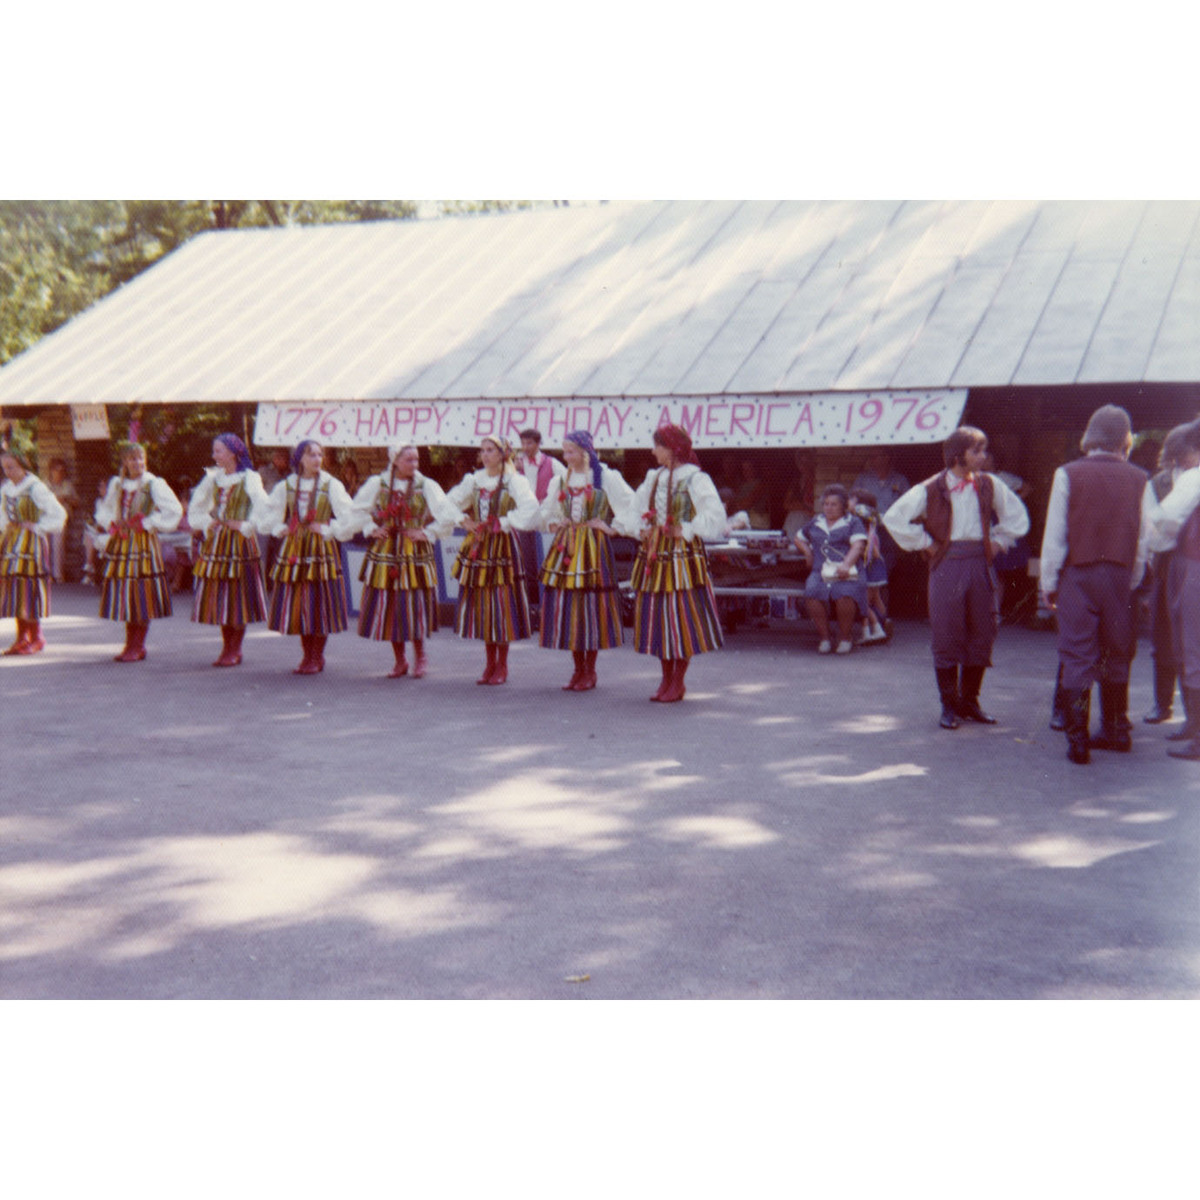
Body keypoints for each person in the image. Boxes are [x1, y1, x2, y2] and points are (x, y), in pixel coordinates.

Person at [884, 426, 1029, 730]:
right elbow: (894, 517)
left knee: (983, 629)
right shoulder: (931, 488)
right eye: (976, 451)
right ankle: (948, 705)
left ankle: (970, 701)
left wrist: (1000, 541)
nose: (983, 456)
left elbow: (1016, 517)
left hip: (980, 563)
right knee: (947, 631)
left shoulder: (990, 484)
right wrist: (925, 543)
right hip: (947, 565)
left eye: (983, 450)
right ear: (956, 455)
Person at [1039, 405, 1151, 764]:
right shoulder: (1140, 478)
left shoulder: (1067, 473)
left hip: (1079, 574)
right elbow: (1145, 538)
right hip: (1119, 574)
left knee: (1077, 655)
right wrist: (1130, 579)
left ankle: (1078, 739)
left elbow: (1055, 534)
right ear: (1125, 437)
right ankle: (1117, 730)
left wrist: (1049, 580)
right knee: (1117, 653)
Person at [624, 424, 726, 702]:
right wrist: (640, 527)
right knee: (659, 619)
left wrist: (687, 528)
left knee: (679, 619)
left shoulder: (695, 479)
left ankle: (677, 681)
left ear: (672, 448)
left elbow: (716, 517)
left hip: (682, 558)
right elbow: (634, 509)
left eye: (657, 445)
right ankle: (666, 678)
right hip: (656, 554)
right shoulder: (654, 478)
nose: (653, 451)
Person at [536, 429, 635, 691]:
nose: (566, 456)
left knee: (590, 609)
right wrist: (556, 522)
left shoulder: (605, 476)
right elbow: (547, 510)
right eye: (564, 451)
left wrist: (611, 527)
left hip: (592, 548)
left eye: (570, 451)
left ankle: (590, 670)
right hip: (567, 547)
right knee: (570, 609)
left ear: (584, 451)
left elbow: (630, 505)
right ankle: (577, 668)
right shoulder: (561, 479)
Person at [349, 442, 457, 679]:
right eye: (409, 460)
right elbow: (356, 509)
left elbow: (447, 513)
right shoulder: (379, 483)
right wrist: (370, 528)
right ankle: (400, 660)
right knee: (390, 605)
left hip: (412, 550)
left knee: (413, 603)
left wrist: (427, 533)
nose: (414, 464)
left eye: (416, 459)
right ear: (395, 460)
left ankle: (421, 656)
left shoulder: (425, 485)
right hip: (386, 549)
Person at [445, 435, 540, 685]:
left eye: (491, 450)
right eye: (483, 451)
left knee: (501, 605)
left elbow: (531, 508)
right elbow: (448, 502)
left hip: (502, 547)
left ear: (502, 454)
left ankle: (503, 665)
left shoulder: (514, 480)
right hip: (479, 547)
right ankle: (489, 664)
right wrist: (463, 520)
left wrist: (505, 522)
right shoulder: (474, 480)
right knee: (485, 606)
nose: (485, 455)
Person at [259, 440, 355, 675]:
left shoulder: (331, 484)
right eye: (312, 455)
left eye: (320, 455)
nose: (317, 459)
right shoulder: (287, 485)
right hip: (295, 549)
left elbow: (349, 516)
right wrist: (279, 528)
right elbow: (269, 512)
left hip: (320, 548)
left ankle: (316, 655)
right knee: (301, 603)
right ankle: (307, 654)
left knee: (320, 602)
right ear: (300, 458)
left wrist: (327, 528)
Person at [95, 442, 183, 662]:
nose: (138, 463)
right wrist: (111, 523)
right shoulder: (118, 484)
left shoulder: (153, 484)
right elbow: (105, 510)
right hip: (123, 543)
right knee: (126, 593)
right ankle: (130, 643)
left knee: (140, 593)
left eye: (141, 458)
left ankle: (138, 644)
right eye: (133, 459)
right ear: (124, 462)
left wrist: (149, 523)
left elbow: (174, 510)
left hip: (143, 544)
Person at [188, 433, 269, 667]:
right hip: (219, 542)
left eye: (219, 451)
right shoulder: (213, 478)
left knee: (237, 595)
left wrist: (246, 525)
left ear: (232, 453)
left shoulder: (250, 478)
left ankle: (235, 648)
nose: (214, 456)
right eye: (214, 451)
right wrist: (206, 522)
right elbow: (197, 506)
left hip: (240, 544)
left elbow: (263, 506)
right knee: (222, 595)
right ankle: (227, 647)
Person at [1146, 418, 1200, 760]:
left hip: (1191, 562)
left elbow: (1163, 518)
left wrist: (1158, 543)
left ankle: (1198, 735)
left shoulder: (1194, 477)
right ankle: (1193, 726)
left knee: (1191, 647)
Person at [1141, 425, 1190, 725]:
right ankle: (1163, 705)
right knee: (1162, 637)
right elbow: (1150, 533)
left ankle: (1191, 715)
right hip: (1164, 567)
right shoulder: (1156, 484)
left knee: (1190, 640)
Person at [0, 449, 67, 655]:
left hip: (31, 545)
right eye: (5, 468)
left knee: (29, 589)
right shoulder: (6, 489)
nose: (8, 472)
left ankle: (37, 637)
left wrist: (37, 526)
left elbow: (59, 515)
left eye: (12, 467)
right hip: (12, 544)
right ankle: (22, 637)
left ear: (23, 465)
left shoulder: (36, 488)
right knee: (15, 590)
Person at [794, 484, 869, 654]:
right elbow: (798, 538)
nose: (829, 507)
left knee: (844, 596)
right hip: (820, 571)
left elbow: (858, 546)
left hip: (847, 572)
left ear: (843, 506)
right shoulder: (816, 521)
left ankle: (845, 637)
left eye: (833, 504)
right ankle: (825, 637)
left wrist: (846, 564)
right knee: (811, 593)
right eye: (826, 504)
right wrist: (807, 552)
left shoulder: (852, 522)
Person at [852, 447, 909, 570]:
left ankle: (885, 586)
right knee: (868, 562)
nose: (871, 460)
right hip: (868, 528)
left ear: (886, 458)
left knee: (889, 563)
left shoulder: (900, 480)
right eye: (870, 457)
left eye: (874, 457)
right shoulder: (863, 479)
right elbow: (853, 503)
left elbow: (909, 505)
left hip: (891, 529)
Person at [848, 489, 892, 643]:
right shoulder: (871, 522)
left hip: (870, 566)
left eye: (852, 499)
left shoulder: (860, 520)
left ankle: (871, 630)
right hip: (878, 567)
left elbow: (871, 550)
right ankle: (884, 624)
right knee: (876, 598)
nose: (849, 502)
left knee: (863, 601)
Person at [45, 458, 79, 583]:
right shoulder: (44, 485)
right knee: (44, 543)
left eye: (62, 471)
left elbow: (76, 502)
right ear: (51, 471)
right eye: (57, 470)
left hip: (61, 519)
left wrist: (66, 499)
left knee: (58, 544)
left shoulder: (67, 485)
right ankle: (46, 574)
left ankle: (58, 576)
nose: (60, 473)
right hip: (46, 518)